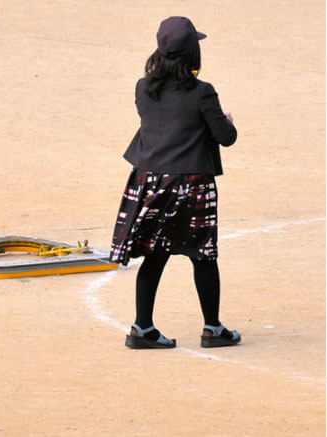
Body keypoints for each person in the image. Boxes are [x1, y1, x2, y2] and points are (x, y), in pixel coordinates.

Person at [110, 17, 241, 349]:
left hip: (149, 182)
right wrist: (225, 121)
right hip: (192, 184)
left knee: (155, 254)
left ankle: (142, 328)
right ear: (192, 54)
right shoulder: (202, 92)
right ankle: (212, 328)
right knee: (203, 256)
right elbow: (226, 138)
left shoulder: (144, 87)